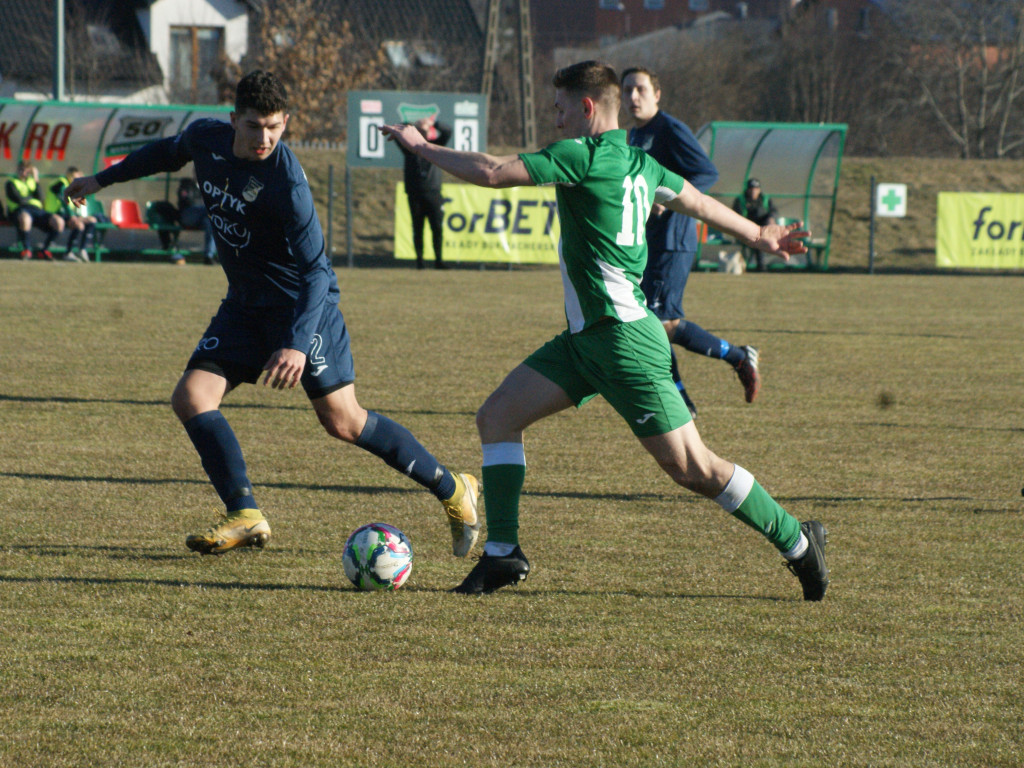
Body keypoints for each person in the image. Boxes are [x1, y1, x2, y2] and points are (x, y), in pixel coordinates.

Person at [381, 60, 829, 600]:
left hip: (623, 342)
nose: (556, 119)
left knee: (693, 467)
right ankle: (503, 553)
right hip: (584, 340)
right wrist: (759, 234)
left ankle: (799, 541)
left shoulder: (583, 155)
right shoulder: (642, 163)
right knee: (497, 416)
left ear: (588, 109)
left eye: (561, 108)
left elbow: (495, 172)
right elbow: (699, 201)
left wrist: (421, 147)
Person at [65, 70, 481, 558]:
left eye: (275, 127)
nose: (265, 138)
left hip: (303, 308)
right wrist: (100, 179)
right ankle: (245, 513)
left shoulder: (287, 181)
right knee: (192, 398)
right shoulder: (205, 137)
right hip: (244, 304)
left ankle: (453, 489)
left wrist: (297, 343)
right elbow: (164, 153)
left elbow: (316, 273)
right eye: (254, 126)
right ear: (232, 120)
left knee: (343, 422)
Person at [622, 67, 762, 416]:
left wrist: (664, 197)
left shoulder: (669, 129)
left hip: (674, 238)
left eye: (640, 89)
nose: (633, 97)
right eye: (627, 91)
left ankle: (728, 364)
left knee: (657, 321)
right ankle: (694, 389)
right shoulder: (633, 136)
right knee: (654, 320)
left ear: (657, 94)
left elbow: (705, 172)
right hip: (647, 241)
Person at [396, 116, 451, 269]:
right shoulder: (409, 149)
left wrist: (434, 123)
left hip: (433, 192)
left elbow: (448, 131)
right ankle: (420, 261)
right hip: (415, 194)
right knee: (418, 228)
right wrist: (412, 125)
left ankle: (439, 260)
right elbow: (398, 130)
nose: (422, 132)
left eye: (424, 130)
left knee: (437, 228)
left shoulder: (435, 147)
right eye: (419, 130)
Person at [5, 160, 64, 260]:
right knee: (25, 218)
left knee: (59, 222)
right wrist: (31, 198)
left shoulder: (32, 182)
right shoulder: (11, 182)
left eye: (26, 170)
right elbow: (18, 199)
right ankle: (26, 249)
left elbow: (40, 197)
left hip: (36, 210)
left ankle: (44, 250)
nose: (23, 172)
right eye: (21, 170)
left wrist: (36, 178)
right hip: (19, 210)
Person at [46, 166, 96, 262]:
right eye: (72, 177)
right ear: (68, 175)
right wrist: (73, 216)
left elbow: (81, 205)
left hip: (67, 214)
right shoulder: (61, 183)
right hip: (56, 213)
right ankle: (68, 253)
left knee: (92, 220)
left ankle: (82, 249)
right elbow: (64, 201)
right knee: (79, 225)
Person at [733, 178, 779, 271]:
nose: (753, 191)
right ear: (747, 189)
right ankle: (758, 266)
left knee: (760, 239)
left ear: (759, 190)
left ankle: (761, 267)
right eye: (751, 189)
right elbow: (737, 216)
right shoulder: (741, 200)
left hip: (762, 231)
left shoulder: (765, 199)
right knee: (757, 240)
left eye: (756, 189)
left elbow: (773, 211)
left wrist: (771, 219)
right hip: (745, 229)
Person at [177, 176, 218, 265]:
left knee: (211, 224)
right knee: (210, 210)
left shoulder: (209, 186)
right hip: (188, 216)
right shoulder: (187, 185)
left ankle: (209, 256)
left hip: (203, 218)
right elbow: (186, 201)